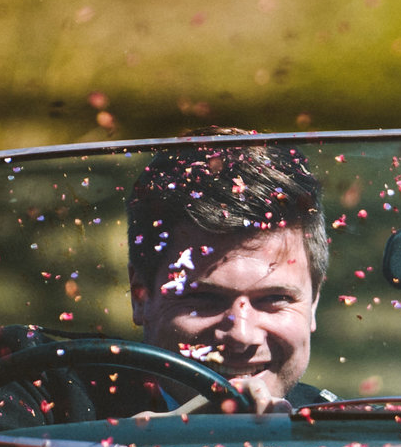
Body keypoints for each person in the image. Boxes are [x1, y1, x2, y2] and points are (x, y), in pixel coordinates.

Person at [129, 143, 334, 410]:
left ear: (313, 301)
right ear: (140, 296)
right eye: (204, 298)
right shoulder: (66, 415)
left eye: (275, 298)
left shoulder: (347, 435)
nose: (242, 335)